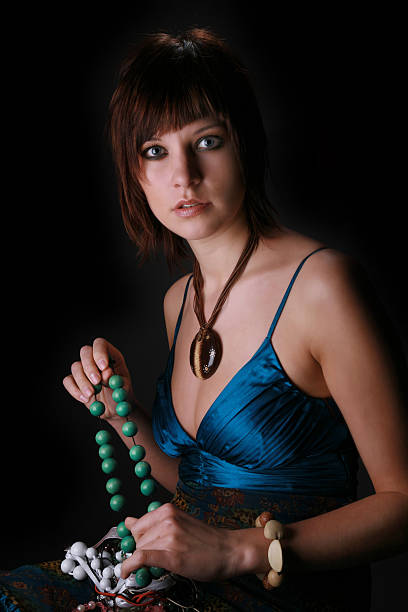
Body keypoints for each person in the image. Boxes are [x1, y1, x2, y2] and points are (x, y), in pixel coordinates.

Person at [1, 27, 408, 612]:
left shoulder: (323, 288)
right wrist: (123, 415)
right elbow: (202, 488)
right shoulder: (179, 300)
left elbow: (402, 503)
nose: (183, 176)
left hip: (279, 591)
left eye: (208, 141)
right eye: (155, 151)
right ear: (135, 172)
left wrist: (239, 551)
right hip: (183, 577)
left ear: (245, 143)